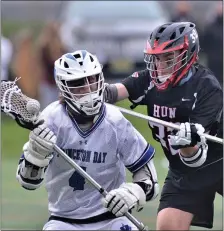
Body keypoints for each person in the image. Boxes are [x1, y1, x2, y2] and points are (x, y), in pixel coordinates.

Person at [16, 50, 159, 230]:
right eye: (79, 83)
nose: (89, 88)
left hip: (111, 219)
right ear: (63, 86)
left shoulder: (115, 121)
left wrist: (132, 193)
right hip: (64, 220)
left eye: (92, 79)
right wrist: (37, 155)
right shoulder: (51, 119)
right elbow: (28, 182)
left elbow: (150, 180)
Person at [104, 22, 223, 230]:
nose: (160, 66)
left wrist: (187, 140)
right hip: (183, 172)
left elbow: (194, 156)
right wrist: (90, 94)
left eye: (169, 58)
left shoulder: (207, 87)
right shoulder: (149, 79)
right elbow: (115, 92)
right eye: (157, 58)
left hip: (218, 163)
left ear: (188, 55)